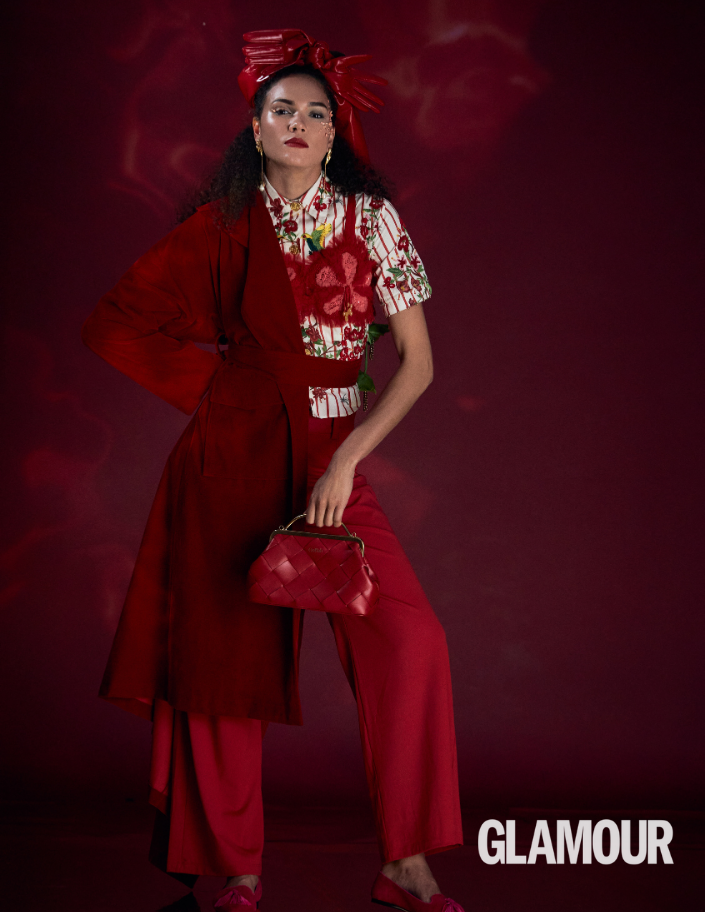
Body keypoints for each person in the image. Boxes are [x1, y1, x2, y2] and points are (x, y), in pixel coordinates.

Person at [82, 29, 465, 912]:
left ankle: (404, 862)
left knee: (411, 644)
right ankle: (239, 871)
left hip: (334, 462)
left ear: (335, 134)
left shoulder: (373, 222)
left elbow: (418, 365)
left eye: (314, 112)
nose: (298, 122)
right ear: (254, 131)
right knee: (225, 671)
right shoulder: (223, 226)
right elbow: (116, 323)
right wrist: (234, 397)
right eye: (280, 110)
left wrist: (349, 461)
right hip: (231, 462)